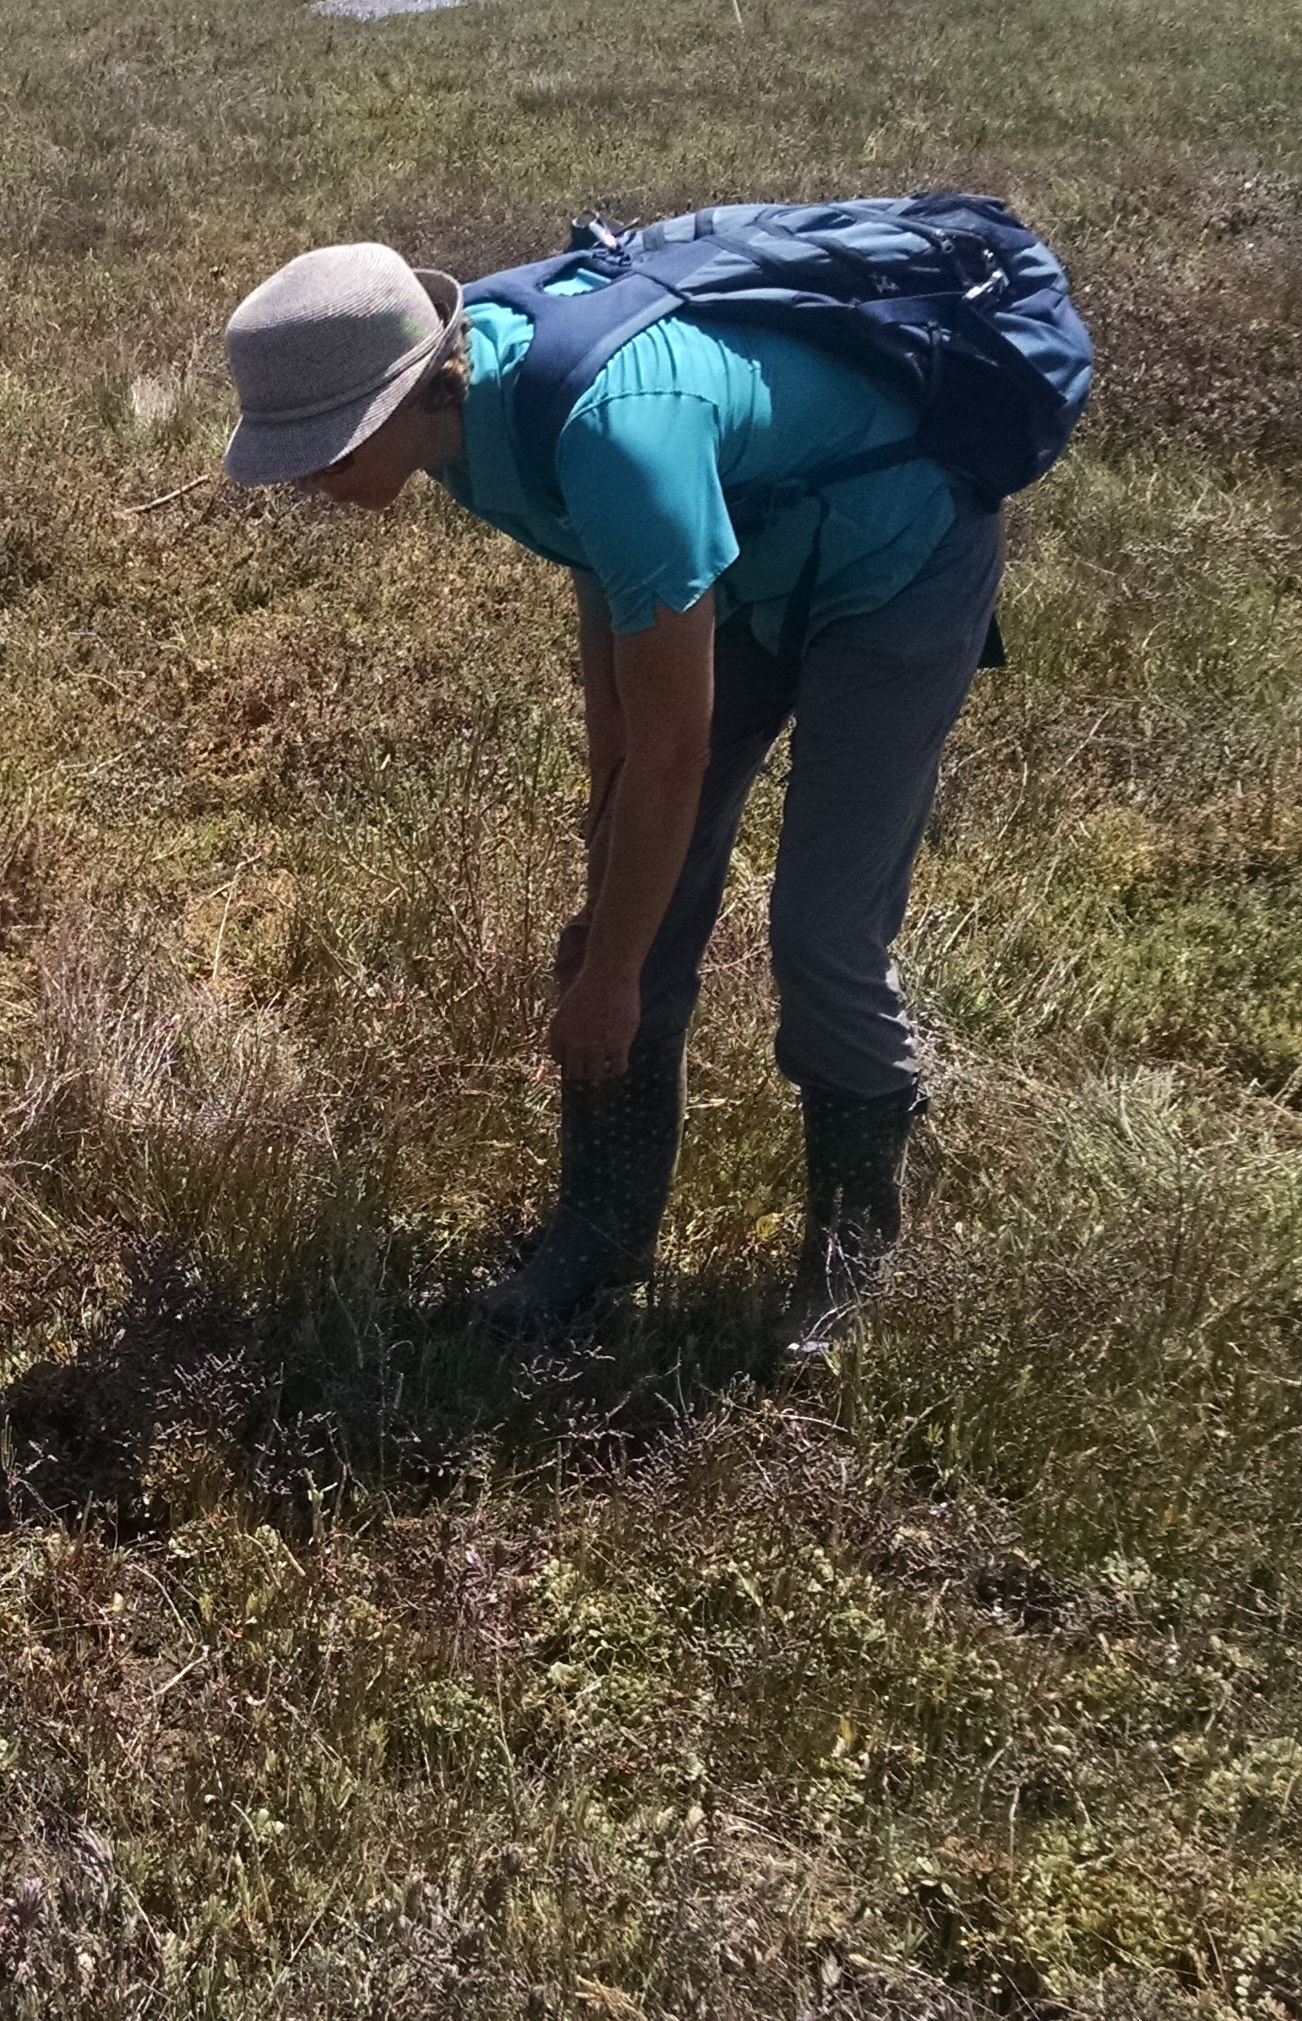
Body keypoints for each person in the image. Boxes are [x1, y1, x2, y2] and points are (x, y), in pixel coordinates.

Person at [216, 239, 1005, 1361]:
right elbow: (598, 571)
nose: (305, 481)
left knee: (823, 931)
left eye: (322, 449)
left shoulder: (615, 428)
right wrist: (607, 789)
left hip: (898, 560)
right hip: (738, 562)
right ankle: (602, 1228)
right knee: (624, 887)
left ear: (406, 395)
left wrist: (614, 978)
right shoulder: (467, 418)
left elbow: (675, 749)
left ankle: (850, 1254)